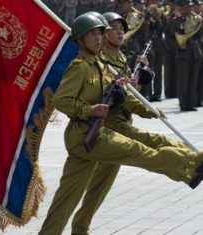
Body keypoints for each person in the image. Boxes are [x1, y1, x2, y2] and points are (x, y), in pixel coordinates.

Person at [38, 13, 203, 235]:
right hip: (87, 134)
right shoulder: (80, 66)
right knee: (142, 151)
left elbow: (114, 93)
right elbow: (62, 100)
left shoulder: (99, 64)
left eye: (99, 34)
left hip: (90, 136)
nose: (98, 39)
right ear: (79, 39)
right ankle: (193, 165)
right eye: (92, 34)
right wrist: (91, 109)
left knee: (66, 198)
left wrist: (127, 91)